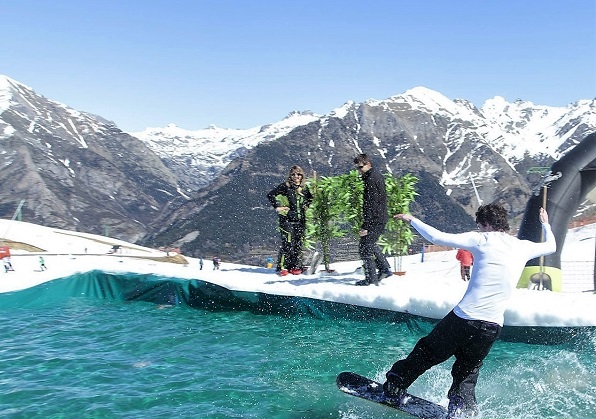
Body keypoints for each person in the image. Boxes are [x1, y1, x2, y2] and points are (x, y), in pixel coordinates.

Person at [383, 203, 556, 418]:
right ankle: (461, 409)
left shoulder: (481, 239)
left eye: (480, 225)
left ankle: (395, 385)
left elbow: (437, 237)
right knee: (467, 372)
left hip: (465, 318)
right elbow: (551, 247)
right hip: (492, 327)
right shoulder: (523, 246)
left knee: (427, 352)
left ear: (486, 224)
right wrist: (546, 224)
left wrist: (412, 220)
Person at [353, 154, 392, 286]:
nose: (359, 170)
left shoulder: (371, 179)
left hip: (375, 219)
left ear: (368, 164)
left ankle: (371, 279)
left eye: (361, 167)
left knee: (365, 248)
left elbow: (372, 204)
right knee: (370, 244)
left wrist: (366, 226)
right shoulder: (374, 176)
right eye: (357, 168)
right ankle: (384, 269)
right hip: (379, 218)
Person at [267, 165, 313, 276]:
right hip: (286, 221)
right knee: (288, 243)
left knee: (297, 244)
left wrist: (306, 206)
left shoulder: (304, 188)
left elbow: (310, 198)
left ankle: (295, 266)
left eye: (298, 174)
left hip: (300, 220)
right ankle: (283, 267)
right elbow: (270, 195)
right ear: (290, 176)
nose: (296, 176)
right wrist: (278, 207)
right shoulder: (285, 187)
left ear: (302, 175)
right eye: (293, 174)